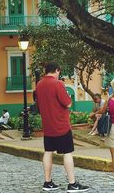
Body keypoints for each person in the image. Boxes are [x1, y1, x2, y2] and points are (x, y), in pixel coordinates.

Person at [36, 61, 89, 192]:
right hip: (61, 125)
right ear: (57, 70)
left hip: (48, 126)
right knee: (67, 153)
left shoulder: (39, 84)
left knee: (48, 152)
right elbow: (68, 103)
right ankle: (72, 184)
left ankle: (47, 182)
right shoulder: (58, 84)